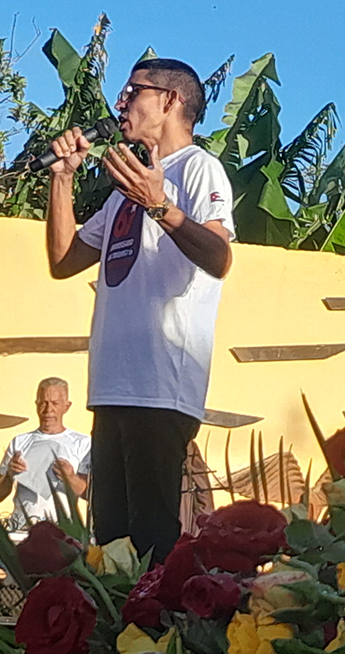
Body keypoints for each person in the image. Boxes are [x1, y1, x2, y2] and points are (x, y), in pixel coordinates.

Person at [42, 58, 235, 562]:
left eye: (133, 92)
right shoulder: (126, 189)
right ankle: (120, 641)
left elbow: (219, 258)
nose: (121, 104)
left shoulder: (198, 168)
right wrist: (62, 179)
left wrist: (160, 206)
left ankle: (157, 639)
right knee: (110, 546)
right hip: (111, 386)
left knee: (151, 542)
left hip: (160, 385)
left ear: (170, 101)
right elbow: (64, 262)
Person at [0, 378, 93, 529]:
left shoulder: (83, 443)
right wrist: (9, 474)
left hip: (63, 531)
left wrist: (70, 477)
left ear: (66, 406)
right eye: (43, 403)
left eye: (55, 403)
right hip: (23, 529)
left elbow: (90, 495)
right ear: (36, 405)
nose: (48, 410)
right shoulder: (20, 441)